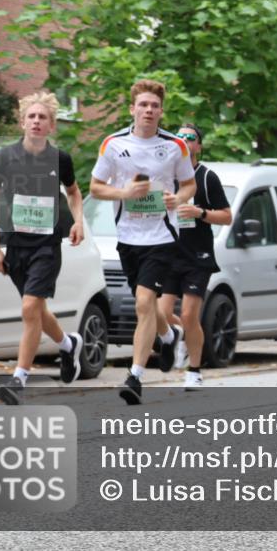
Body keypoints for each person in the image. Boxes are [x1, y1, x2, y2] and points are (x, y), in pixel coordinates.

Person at [90, 80, 195, 404]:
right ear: (132, 109)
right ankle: (168, 334)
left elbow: (189, 185)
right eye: (143, 105)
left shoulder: (175, 146)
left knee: (143, 302)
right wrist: (123, 193)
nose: (149, 110)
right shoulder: (113, 144)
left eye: (154, 106)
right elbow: (95, 187)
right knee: (146, 303)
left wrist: (176, 200)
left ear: (161, 111)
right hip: (128, 236)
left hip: (162, 236)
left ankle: (135, 375)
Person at [0, 92, 86, 405]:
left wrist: (78, 221)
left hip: (46, 245)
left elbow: (73, 193)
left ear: (52, 125)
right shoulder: (4, 158)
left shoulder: (61, 159)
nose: (37, 121)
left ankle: (19, 378)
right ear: (22, 122)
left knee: (30, 308)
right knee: (38, 311)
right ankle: (69, 344)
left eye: (43, 117)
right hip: (16, 246)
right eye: (32, 116)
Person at [157, 123, 232, 390]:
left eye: (191, 138)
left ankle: (195, 370)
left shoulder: (206, 177)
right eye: (179, 138)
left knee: (189, 315)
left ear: (198, 146)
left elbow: (227, 215)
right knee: (161, 314)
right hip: (168, 253)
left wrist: (200, 213)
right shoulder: (164, 176)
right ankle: (178, 336)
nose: (184, 141)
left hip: (196, 256)